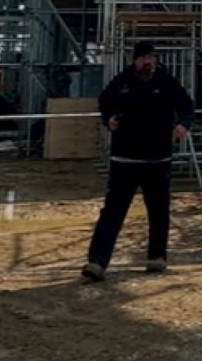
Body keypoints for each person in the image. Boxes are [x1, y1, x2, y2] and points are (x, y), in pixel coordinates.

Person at [81, 40, 194, 280]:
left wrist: (184, 124)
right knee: (113, 211)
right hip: (125, 158)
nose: (148, 62)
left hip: (157, 158)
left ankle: (157, 256)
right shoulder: (122, 82)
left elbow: (187, 106)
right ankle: (97, 261)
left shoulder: (166, 82)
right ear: (135, 60)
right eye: (144, 58)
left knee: (159, 210)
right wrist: (108, 118)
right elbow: (104, 102)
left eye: (151, 58)